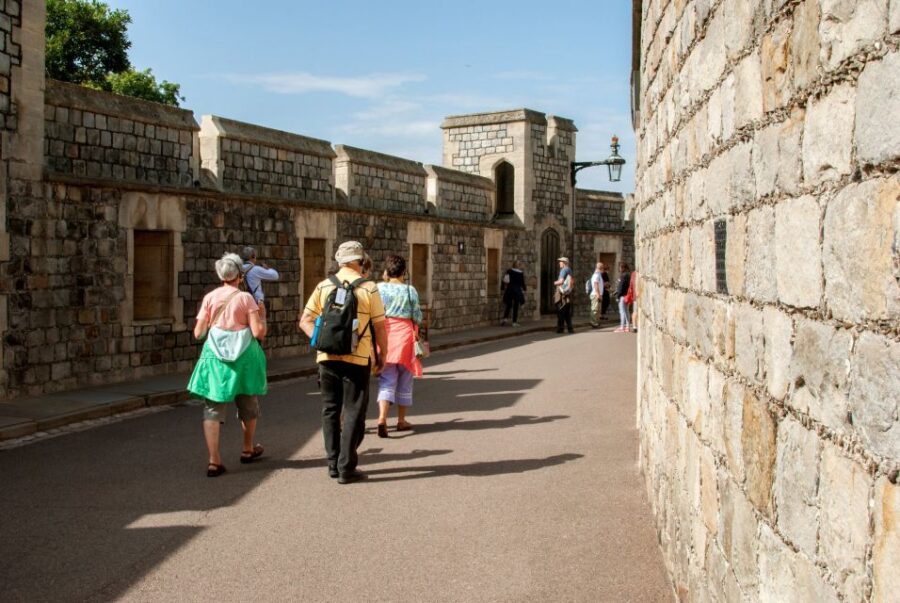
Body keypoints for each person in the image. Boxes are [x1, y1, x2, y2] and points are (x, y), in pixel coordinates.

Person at [298, 241, 388, 485]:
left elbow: (304, 320)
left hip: (326, 358)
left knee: (330, 410)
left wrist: (321, 340)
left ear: (339, 261)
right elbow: (380, 326)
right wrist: (382, 355)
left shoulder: (324, 286)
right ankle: (347, 466)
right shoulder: (369, 288)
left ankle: (332, 464)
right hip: (356, 358)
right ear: (360, 261)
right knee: (354, 412)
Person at [187, 252, 268, 478]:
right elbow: (258, 332)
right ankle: (247, 448)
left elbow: (198, 333)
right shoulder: (245, 299)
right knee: (248, 402)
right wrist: (262, 316)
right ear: (239, 276)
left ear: (221, 275)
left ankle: (214, 460)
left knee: (212, 407)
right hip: (244, 358)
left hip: (215, 358)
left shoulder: (210, 297)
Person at [374, 255, 424, 437]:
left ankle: (381, 418)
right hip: (404, 338)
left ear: (387, 271)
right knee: (405, 378)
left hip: (385, 336)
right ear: (404, 272)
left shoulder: (378, 288)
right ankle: (401, 421)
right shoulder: (410, 290)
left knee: (387, 379)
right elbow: (417, 316)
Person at [500, 260, 526, 326]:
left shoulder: (509, 271)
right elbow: (522, 282)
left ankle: (505, 319)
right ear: (519, 265)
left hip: (510, 289)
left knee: (509, 304)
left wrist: (502, 287)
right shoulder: (520, 273)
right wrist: (524, 289)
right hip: (517, 290)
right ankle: (514, 322)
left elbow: (505, 279)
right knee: (516, 306)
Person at [553, 257, 574, 334]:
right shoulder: (569, 270)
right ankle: (570, 328)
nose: (559, 263)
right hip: (568, 293)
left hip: (562, 294)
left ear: (564, 263)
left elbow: (561, 281)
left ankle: (560, 328)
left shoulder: (563, 270)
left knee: (560, 310)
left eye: (560, 262)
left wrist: (554, 283)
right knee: (567, 312)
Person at [615, 263, 633, 333]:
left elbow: (620, 287)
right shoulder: (628, 275)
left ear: (622, 268)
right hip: (627, 296)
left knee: (622, 312)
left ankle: (622, 327)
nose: (619, 269)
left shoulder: (623, 276)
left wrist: (617, 296)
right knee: (626, 311)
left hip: (622, 296)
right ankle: (627, 327)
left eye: (620, 267)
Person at [589, 262, 605, 328]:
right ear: (601, 268)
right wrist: (598, 294)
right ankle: (593, 322)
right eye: (603, 268)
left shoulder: (598, 274)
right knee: (595, 309)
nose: (603, 270)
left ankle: (596, 322)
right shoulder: (596, 275)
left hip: (597, 294)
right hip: (596, 294)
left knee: (598, 309)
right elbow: (595, 284)